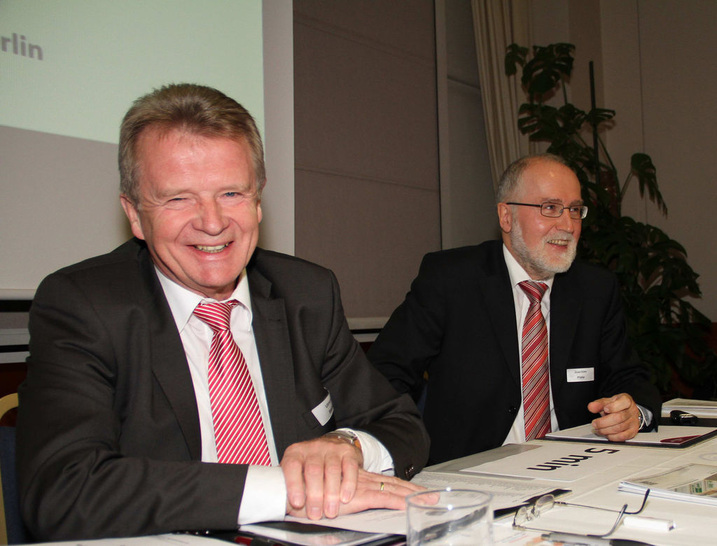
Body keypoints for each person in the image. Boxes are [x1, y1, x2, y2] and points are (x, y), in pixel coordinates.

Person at [17, 83, 429, 541]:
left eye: (231, 193)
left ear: (258, 201)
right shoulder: (83, 305)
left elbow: (401, 425)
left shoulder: (306, 294)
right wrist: (285, 488)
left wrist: (346, 445)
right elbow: (63, 491)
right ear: (134, 214)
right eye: (178, 198)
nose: (212, 223)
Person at [368, 154, 662, 465]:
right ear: (506, 217)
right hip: (472, 470)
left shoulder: (594, 289)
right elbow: (385, 374)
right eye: (550, 208)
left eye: (575, 210)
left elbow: (628, 374)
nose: (567, 225)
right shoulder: (452, 280)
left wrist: (634, 411)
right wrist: (395, 448)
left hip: (573, 465)